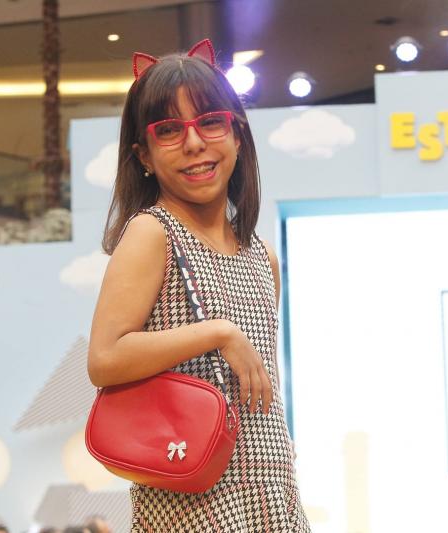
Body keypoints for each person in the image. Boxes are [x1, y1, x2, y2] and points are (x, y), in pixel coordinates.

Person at [87, 38, 310, 532]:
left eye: (210, 122)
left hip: (270, 496)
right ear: (143, 155)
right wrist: (217, 332)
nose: (194, 144)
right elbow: (104, 358)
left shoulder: (262, 256)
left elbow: (261, 387)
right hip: (190, 503)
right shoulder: (153, 232)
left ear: (237, 135)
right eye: (169, 130)